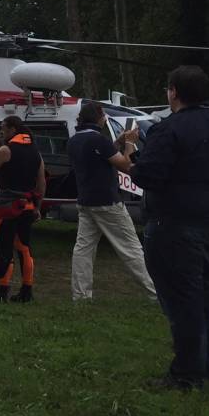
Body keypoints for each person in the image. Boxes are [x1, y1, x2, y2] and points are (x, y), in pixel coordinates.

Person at [130, 65, 209, 389]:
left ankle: (185, 374)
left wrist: (137, 160)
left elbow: (146, 175)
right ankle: (208, 365)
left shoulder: (169, 129)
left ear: (173, 92)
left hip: (175, 225)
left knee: (182, 301)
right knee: (206, 298)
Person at [67, 102, 156, 301]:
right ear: (99, 117)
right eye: (104, 114)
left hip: (85, 201)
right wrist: (130, 143)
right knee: (131, 248)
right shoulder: (99, 140)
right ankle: (156, 292)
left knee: (83, 249)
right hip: (107, 202)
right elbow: (125, 165)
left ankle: (81, 296)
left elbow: (103, 156)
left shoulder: (74, 141)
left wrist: (117, 142)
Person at [0, 115, 46, 304]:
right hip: (28, 205)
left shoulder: (5, 150)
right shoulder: (36, 152)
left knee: (4, 249)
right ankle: (27, 290)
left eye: (3, 128)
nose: (1, 132)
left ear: (13, 129)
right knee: (24, 248)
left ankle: (2, 291)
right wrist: (38, 207)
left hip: (8, 206)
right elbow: (41, 184)